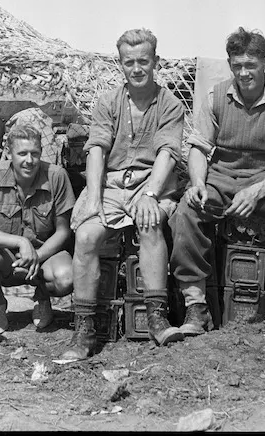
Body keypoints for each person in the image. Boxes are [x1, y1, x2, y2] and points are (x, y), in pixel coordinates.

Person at [169, 27, 265, 342]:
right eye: (237, 65)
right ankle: (196, 307)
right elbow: (198, 149)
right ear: (229, 63)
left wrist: (258, 190)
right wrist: (197, 182)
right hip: (221, 176)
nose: (244, 72)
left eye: (251, 65)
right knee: (187, 209)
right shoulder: (216, 96)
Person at [60, 28, 185, 362]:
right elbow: (97, 150)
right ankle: (84, 329)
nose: (137, 69)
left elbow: (168, 154)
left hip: (151, 181)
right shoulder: (108, 103)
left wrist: (151, 194)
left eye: (143, 61)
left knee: (150, 222)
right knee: (86, 235)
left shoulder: (170, 105)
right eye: (129, 62)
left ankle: (157, 317)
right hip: (113, 184)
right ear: (120, 64)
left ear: (156, 61)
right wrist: (95, 199)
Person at [0, 124, 75, 334]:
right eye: (22, 153)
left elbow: (63, 231)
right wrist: (21, 242)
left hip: (45, 255)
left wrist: (36, 256)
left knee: (66, 278)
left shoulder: (57, 176)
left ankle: (43, 299)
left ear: (41, 153)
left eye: (34, 153)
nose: (29, 160)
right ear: (9, 153)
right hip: (5, 257)